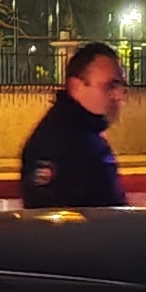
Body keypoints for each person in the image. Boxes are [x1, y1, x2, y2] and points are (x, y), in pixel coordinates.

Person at [21, 41, 130, 209]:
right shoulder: (65, 143)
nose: (118, 96)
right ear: (77, 87)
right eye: (110, 85)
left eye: (121, 86)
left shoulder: (81, 135)